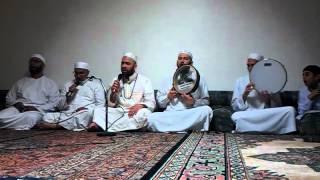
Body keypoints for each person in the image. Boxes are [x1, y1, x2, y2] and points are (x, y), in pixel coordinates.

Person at [88, 52, 155, 132]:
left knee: (145, 114)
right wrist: (113, 93)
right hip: (119, 111)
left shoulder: (145, 80)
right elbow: (110, 105)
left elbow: (151, 102)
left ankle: (105, 126)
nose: (123, 66)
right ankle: (126, 127)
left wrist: (141, 106)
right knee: (99, 111)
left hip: (135, 112)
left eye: (127, 63)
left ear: (135, 66)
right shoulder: (116, 80)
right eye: (122, 63)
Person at [147, 51, 213, 132]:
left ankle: (171, 128)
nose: (182, 61)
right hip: (171, 113)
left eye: (185, 59)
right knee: (151, 117)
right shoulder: (167, 77)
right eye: (180, 58)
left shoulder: (200, 78)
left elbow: (206, 101)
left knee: (207, 110)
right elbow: (160, 104)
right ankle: (187, 128)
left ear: (191, 62)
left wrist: (193, 102)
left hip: (190, 113)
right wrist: (168, 97)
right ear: (176, 62)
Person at [231, 53, 296, 134]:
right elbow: (235, 107)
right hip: (250, 115)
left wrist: (269, 98)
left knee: (290, 110)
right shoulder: (240, 81)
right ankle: (269, 129)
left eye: (253, 65)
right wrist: (245, 94)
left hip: (265, 114)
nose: (250, 68)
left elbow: (278, 106)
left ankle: (253, 129)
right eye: (248, 65)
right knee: (235, 116)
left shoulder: (271, 81)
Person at [37, 61, 105, 131]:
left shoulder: (96, 85)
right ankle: (68, 125)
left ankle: (56, 126)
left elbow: (100, 105)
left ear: (87, 73)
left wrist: (87, 109)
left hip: (85, 112)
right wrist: (69, 95)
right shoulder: (67, 85)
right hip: (68, 113)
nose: (78, 76)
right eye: (76, 73)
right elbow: (60, 107)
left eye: (81, 73)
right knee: (46, 116)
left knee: (85, 115)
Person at [0, 54, 60, 130]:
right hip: (18, 109)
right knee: (0, 117)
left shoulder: (50, 83)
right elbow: (9, 98)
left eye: (36, 61)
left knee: (30, 118)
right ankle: (22, 125)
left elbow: (54, 103)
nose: (33, 64)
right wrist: (16, 104)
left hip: (36, 111)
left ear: (43, 66)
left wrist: (36, 108)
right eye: (31, 61)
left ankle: (10, 124)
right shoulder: (20, 82)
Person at [296, 65, 320, 135]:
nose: (304, 77)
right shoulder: (302, 91)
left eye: (307, 74)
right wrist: (310, 99)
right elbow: (302, 113)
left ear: (317, 77)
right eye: (303, 75)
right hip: (307, 119)